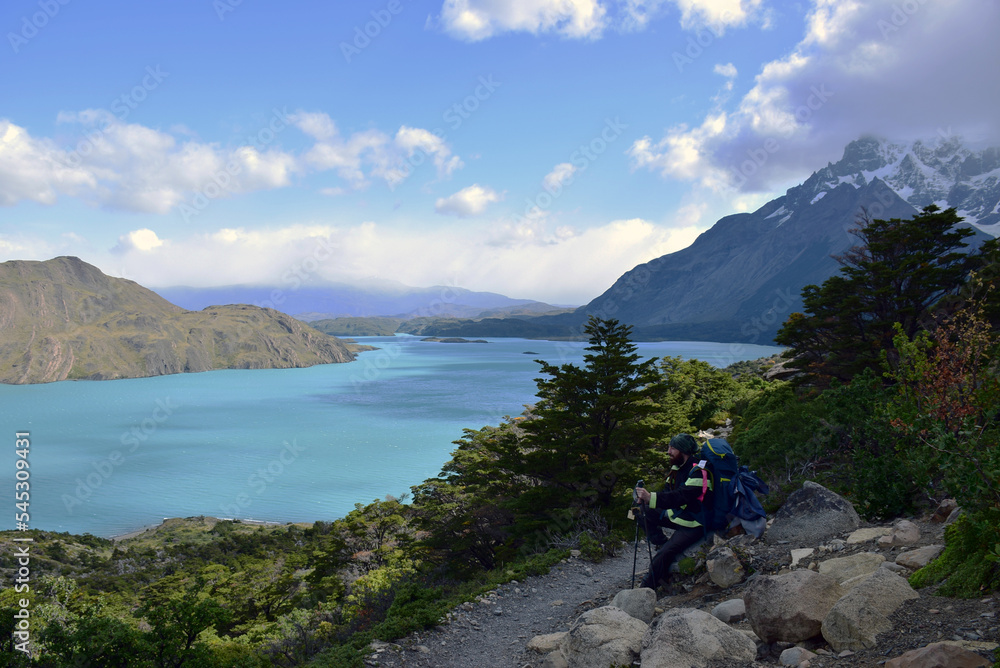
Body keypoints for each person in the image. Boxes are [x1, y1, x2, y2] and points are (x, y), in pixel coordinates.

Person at [634, 433, 712, 591]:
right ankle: (661, 542)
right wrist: (645, 501)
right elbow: (668, 492)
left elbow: (681, 496)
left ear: (683, 450)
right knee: (638, 510)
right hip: (679, 516)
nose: (668, 451)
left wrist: (651, 497)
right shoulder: (678, 467)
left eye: (672, 448)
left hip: (694, 523)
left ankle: (646, 590)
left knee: (662, 557)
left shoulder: (699, 470)